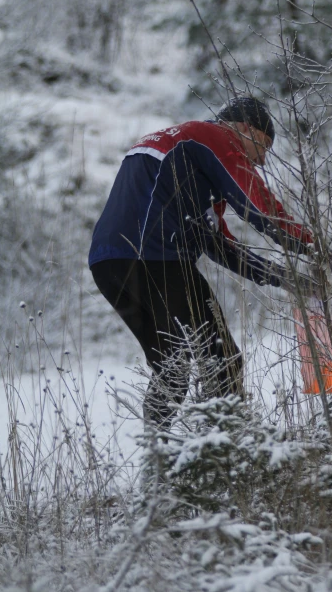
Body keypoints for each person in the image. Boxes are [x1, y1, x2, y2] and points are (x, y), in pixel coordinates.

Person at [88, 97, 313, 427]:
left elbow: (220, 248)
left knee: (173, 367)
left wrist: (287, 279)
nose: (262, 161)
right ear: (243, 128)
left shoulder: (185, 163)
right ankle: (232, 456)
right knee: (225, 360)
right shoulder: (209, 137)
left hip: (108, 265)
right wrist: (313, 245)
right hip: (155, 257)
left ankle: (160, 465)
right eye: (263, 146)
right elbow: (260, 207)